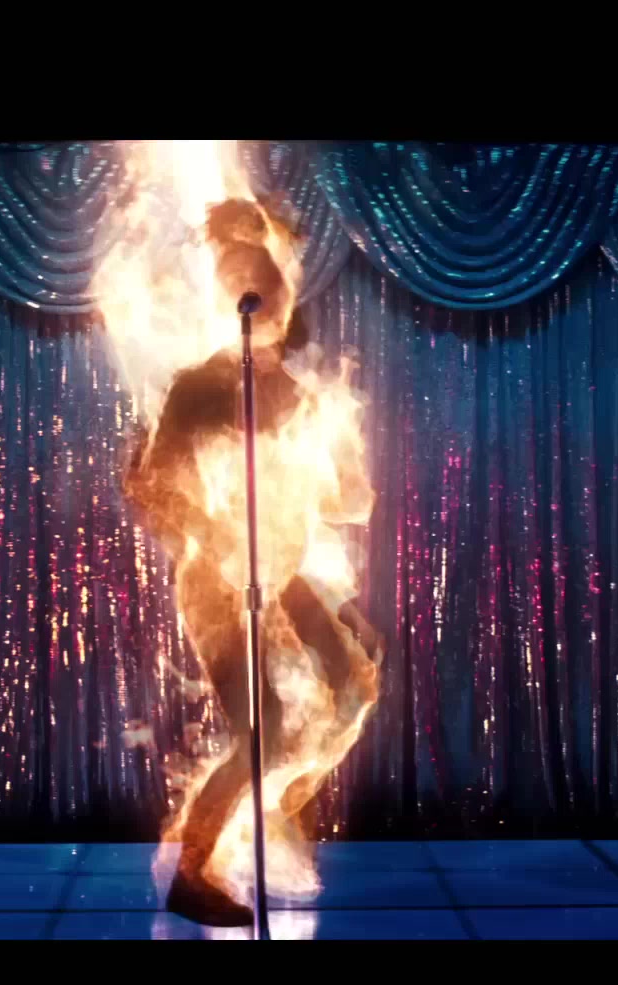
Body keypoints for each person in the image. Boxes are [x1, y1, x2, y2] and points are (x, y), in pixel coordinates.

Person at [123, 198, 382, 927]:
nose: (263, 298)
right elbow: (150, 485)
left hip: (279, 570)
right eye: (246, 284)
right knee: (263, 724)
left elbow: (344, 504)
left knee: (352, 679)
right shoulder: (203, 385)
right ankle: (193, 867)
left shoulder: (298, 394)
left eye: (270, 285)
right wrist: (215, 534)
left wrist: (342, 471)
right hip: (219, 579)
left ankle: (270, 818)